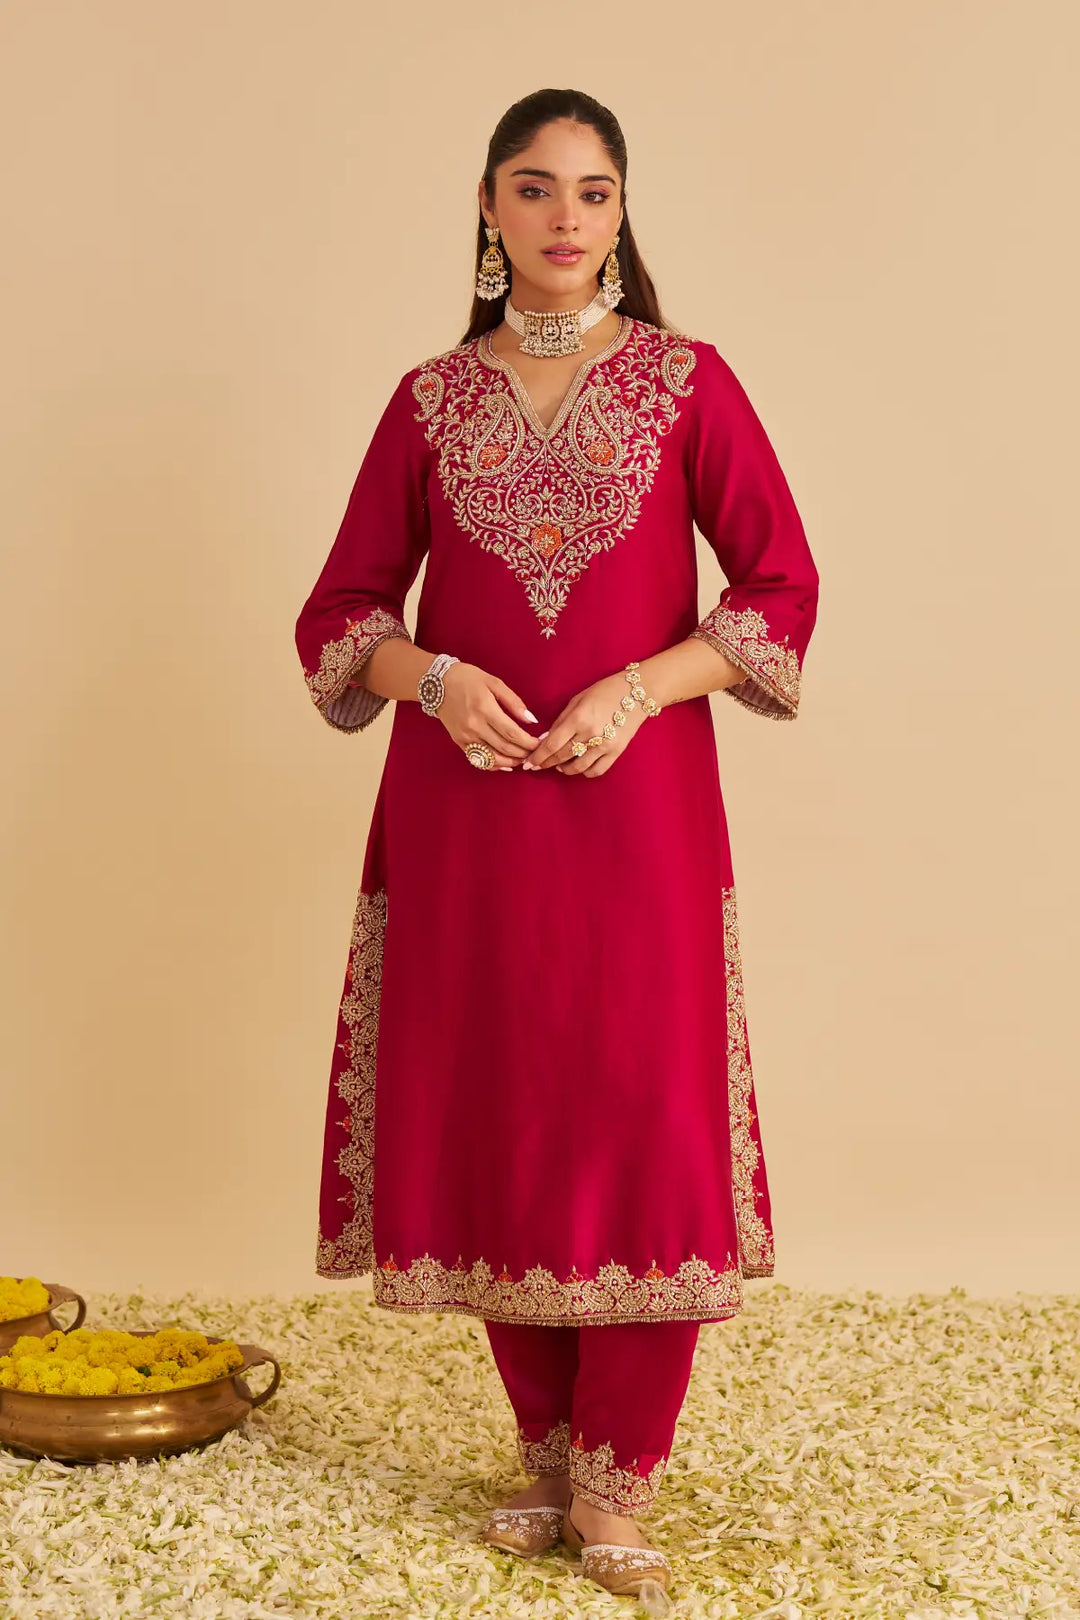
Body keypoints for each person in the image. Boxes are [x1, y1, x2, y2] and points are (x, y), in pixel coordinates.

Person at [295, 87, 820, 1606]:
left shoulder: (687, 382)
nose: (567, 220)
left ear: (621, 214)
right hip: (462, 815)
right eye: (537, 190)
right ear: (487, 207)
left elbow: (780, 589)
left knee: (638, 1101)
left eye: (595, 194)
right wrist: (438, 680)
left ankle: (619, 1482)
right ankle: (543, 1453)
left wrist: (641, 688)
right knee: (494, 1102)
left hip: (636, 808)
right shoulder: (426, 401)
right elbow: (339, 618)